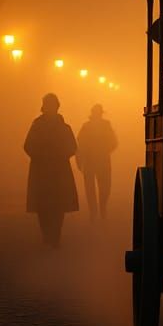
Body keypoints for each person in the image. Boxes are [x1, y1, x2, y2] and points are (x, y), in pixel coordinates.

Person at [23, 93, 79, 247]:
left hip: (54, 172)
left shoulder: (63, 127)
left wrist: (57, 155)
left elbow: (73, 148)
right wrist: (42, 155)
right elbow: (28, 146)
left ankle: (54, 236)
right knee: (44, 206)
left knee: (57, 205)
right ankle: (48, 236)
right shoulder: (38, 125)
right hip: (46, 171)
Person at [76, 104, 118, 223]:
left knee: (92, 188)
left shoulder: (87, 126)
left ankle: (95, 211)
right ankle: (100, 210)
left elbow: (79, 145)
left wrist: (80, 160)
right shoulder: (105, 125)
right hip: (102, 160)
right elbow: (114, 142)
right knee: (104, 187)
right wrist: (105, 150)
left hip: (91, 161)